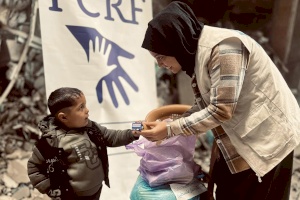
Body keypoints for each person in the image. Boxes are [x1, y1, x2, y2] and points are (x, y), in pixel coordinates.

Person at [139, 1, 300, 200]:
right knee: (226, 189)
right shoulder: (199, 56)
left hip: (267, 138)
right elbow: (208, 101)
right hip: (241, 135)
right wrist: (170, 124)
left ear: (176, 42)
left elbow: (221, 110)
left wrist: (170, 129)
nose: (160, 64)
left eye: (161, 56)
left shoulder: (225, 49)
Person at [27, 87, 140, 200]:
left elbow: (111, 137)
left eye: (85, 105)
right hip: (72, 196)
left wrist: (132, 133)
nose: (87, 110)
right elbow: (34, 168)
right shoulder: (50, 142)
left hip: (96, 190)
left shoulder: (91, 128)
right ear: (63, 117)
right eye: (81, 107)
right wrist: (52, 190)